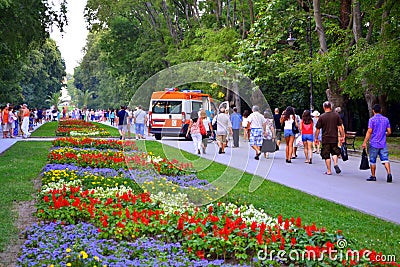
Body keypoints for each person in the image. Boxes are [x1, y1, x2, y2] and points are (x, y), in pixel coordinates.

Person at [362, 104, 392, 183]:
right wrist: (384, 134)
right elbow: (389, 131)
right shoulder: (386, 119)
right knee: (385, 159)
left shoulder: (372, 120)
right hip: (383, 143)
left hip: (374, 143)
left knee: (372, 160)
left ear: (373, 111)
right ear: (381, 110)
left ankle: (373, 176)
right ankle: (389, 173)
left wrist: (365, 142)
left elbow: (369, 131)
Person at [315, 101, 345, 175]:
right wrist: (342, 136)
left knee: (326, 154)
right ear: (331, 107)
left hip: (325, 138)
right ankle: (335, 164)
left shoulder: (322, 117)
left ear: (324, 107)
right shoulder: (336, 115)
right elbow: (340, 127)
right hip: (334, 137)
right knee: (334, 152)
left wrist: (316, 138)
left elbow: (318, 129)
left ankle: (329, 170)